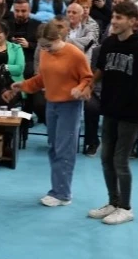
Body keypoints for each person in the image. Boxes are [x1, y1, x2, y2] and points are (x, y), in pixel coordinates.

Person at [87, 0, 138, 226]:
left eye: (119, 18)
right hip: (110, 108)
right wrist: (89, 85)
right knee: (106, 158)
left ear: (132, 21)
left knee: (120, 160)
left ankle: (125, 208)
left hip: (131, 113)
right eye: (113, 17)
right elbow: (101, 69)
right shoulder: (109, 43)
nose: (113, 21)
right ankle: (113, 202)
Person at [13, 19, 93, 206]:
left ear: (58, 38)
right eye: (42, 46)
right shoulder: (44, 53)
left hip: (70, 106)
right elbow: (42, 78)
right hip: (51, 104)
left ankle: (63, 194)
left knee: (65, 150)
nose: (45, 49)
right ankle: (57, 189)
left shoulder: (75, 54)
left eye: (48, 46)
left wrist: (79, 88)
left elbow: (87, 78)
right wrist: (23, 85)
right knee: (54, 148)